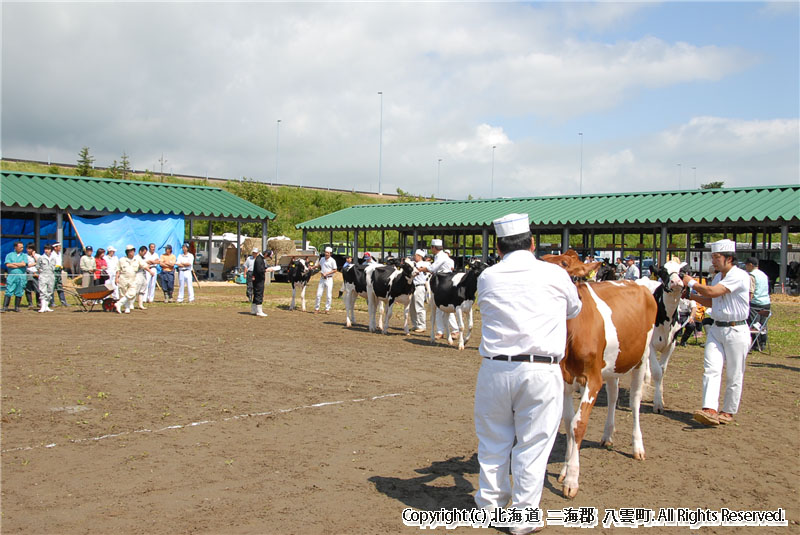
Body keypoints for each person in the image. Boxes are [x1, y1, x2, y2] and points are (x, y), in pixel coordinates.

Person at [474, 213, 581, 535]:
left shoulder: (488, 276)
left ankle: (490, 507)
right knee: (533, 444)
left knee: (493, 440)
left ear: (498, 246)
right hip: (541, 369)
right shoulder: (554, 274)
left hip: (495, 368)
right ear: (532, 243)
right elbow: (574, 309)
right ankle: (522, 517)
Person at [683, 239, 751, 427]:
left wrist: (692, 284)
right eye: (712, 257)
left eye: (716, 257)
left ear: (729, 258)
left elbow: (713, 292)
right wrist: (691, 297)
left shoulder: (739, 276)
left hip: (736, 329)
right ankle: (709, 408)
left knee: (734, 372)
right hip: (717, 327)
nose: (713, 261)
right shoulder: (718, 277)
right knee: (711, 368)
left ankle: (728, 411)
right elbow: (712, 301)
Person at [417, 239, 459, 338]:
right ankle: (441, 331)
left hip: (444, 282)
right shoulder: (441, 256)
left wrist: (420, 269)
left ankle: (454, 330)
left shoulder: (441, 257)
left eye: (431, 247)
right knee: (440, 307)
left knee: (445, 306)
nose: (431, 249)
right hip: (441, 282)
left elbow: (432, 269)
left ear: (434, 248)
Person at [744, 257, 771, 350]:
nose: (746, 267)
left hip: (756, 303)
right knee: (763, 324)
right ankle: (762, 343)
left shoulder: (751, 276)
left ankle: (755, 344)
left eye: (746, 265)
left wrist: (747, 302)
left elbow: (750, 291)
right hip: (766, 302)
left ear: (751, 265)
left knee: (754, 324)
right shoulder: (763, 274)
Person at [2, 241, 29, 312]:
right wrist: (19, 264)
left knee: (19, 291)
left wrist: (14, 264)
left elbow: (24, 264)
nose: (22, 248)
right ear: (15, 247)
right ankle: (5, 307)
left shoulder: (24, 255)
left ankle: (17, 307)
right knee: (9, 290)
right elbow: (8, 265)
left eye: (23, 247)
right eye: (20, 247)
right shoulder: (9, 255)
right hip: (12, 276)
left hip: (21, 276)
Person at [115, 245, 139, 314]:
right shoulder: (122, 260)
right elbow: (118, 270)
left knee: (132, 293)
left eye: (133, 251)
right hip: (123, 278)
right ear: (127, 252)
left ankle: (119, 303)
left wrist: (150, 270)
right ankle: (127, 308)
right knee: (124, 293)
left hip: (133, 279)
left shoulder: (136, 259)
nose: (132, 252)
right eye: (130, 251)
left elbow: (144, 265)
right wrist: (116, 278)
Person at [410, 249, 430, 332]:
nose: (414, 257)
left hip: (419, 286)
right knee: (412, 307)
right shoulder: (416, 264)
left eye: (415, 255)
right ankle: (415, 324)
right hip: (412, 287)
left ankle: (422, 325)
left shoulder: (424, 264)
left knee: (419, 306)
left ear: (419, 256)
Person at [314, 246, 337, 313]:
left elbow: (335, 270)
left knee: (328, 295)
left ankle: (327, 309)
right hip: (322, 279)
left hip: (329, 279)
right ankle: (317, 308)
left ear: (330, 253)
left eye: (328, 253)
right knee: (318, 294)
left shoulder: (332, 261)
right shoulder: (322, 259)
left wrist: (327, 273)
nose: (326, 254)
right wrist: (313, 267)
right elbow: (319, 265)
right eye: (326, 252)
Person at [36, 244, 56, 312]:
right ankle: (42, 307)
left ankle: (46, 306)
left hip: (51, 276)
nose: (46, 250)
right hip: (43, 276)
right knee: (42, 291)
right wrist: (41, 273)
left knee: (50, 291)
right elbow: (37, 266)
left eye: (48, 249)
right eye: (45, 249)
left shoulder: (53, 258)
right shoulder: (41, 257)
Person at [25, 243, 41, 309]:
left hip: (36, 273)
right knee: (28, 288)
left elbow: (40, 263)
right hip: (28, 272)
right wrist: (35, 263)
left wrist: (34, 256)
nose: (29, 250)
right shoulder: (24, 256)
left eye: (30, 249)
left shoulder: (38, 255)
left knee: (37, 289)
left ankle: (38, 302)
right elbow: (26, 265)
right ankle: (30, 303)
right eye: (28, 248)